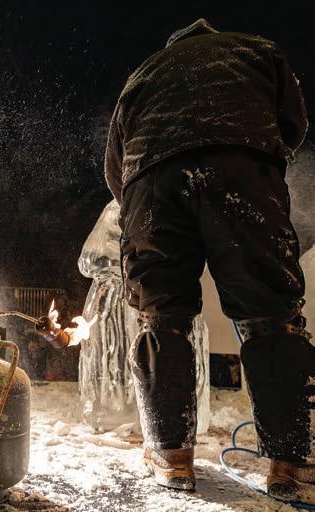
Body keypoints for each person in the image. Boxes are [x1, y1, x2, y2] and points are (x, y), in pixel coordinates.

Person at [105, 18, 314, 503]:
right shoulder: (257, 49)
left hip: (153, 182)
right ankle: (291, 464)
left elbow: (116, 170)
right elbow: (293, 124)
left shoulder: (142, 74)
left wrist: (144, 211)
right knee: (271, 315)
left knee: (162, 317)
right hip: (240, 165)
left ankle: (171, 457)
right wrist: (253, 166)